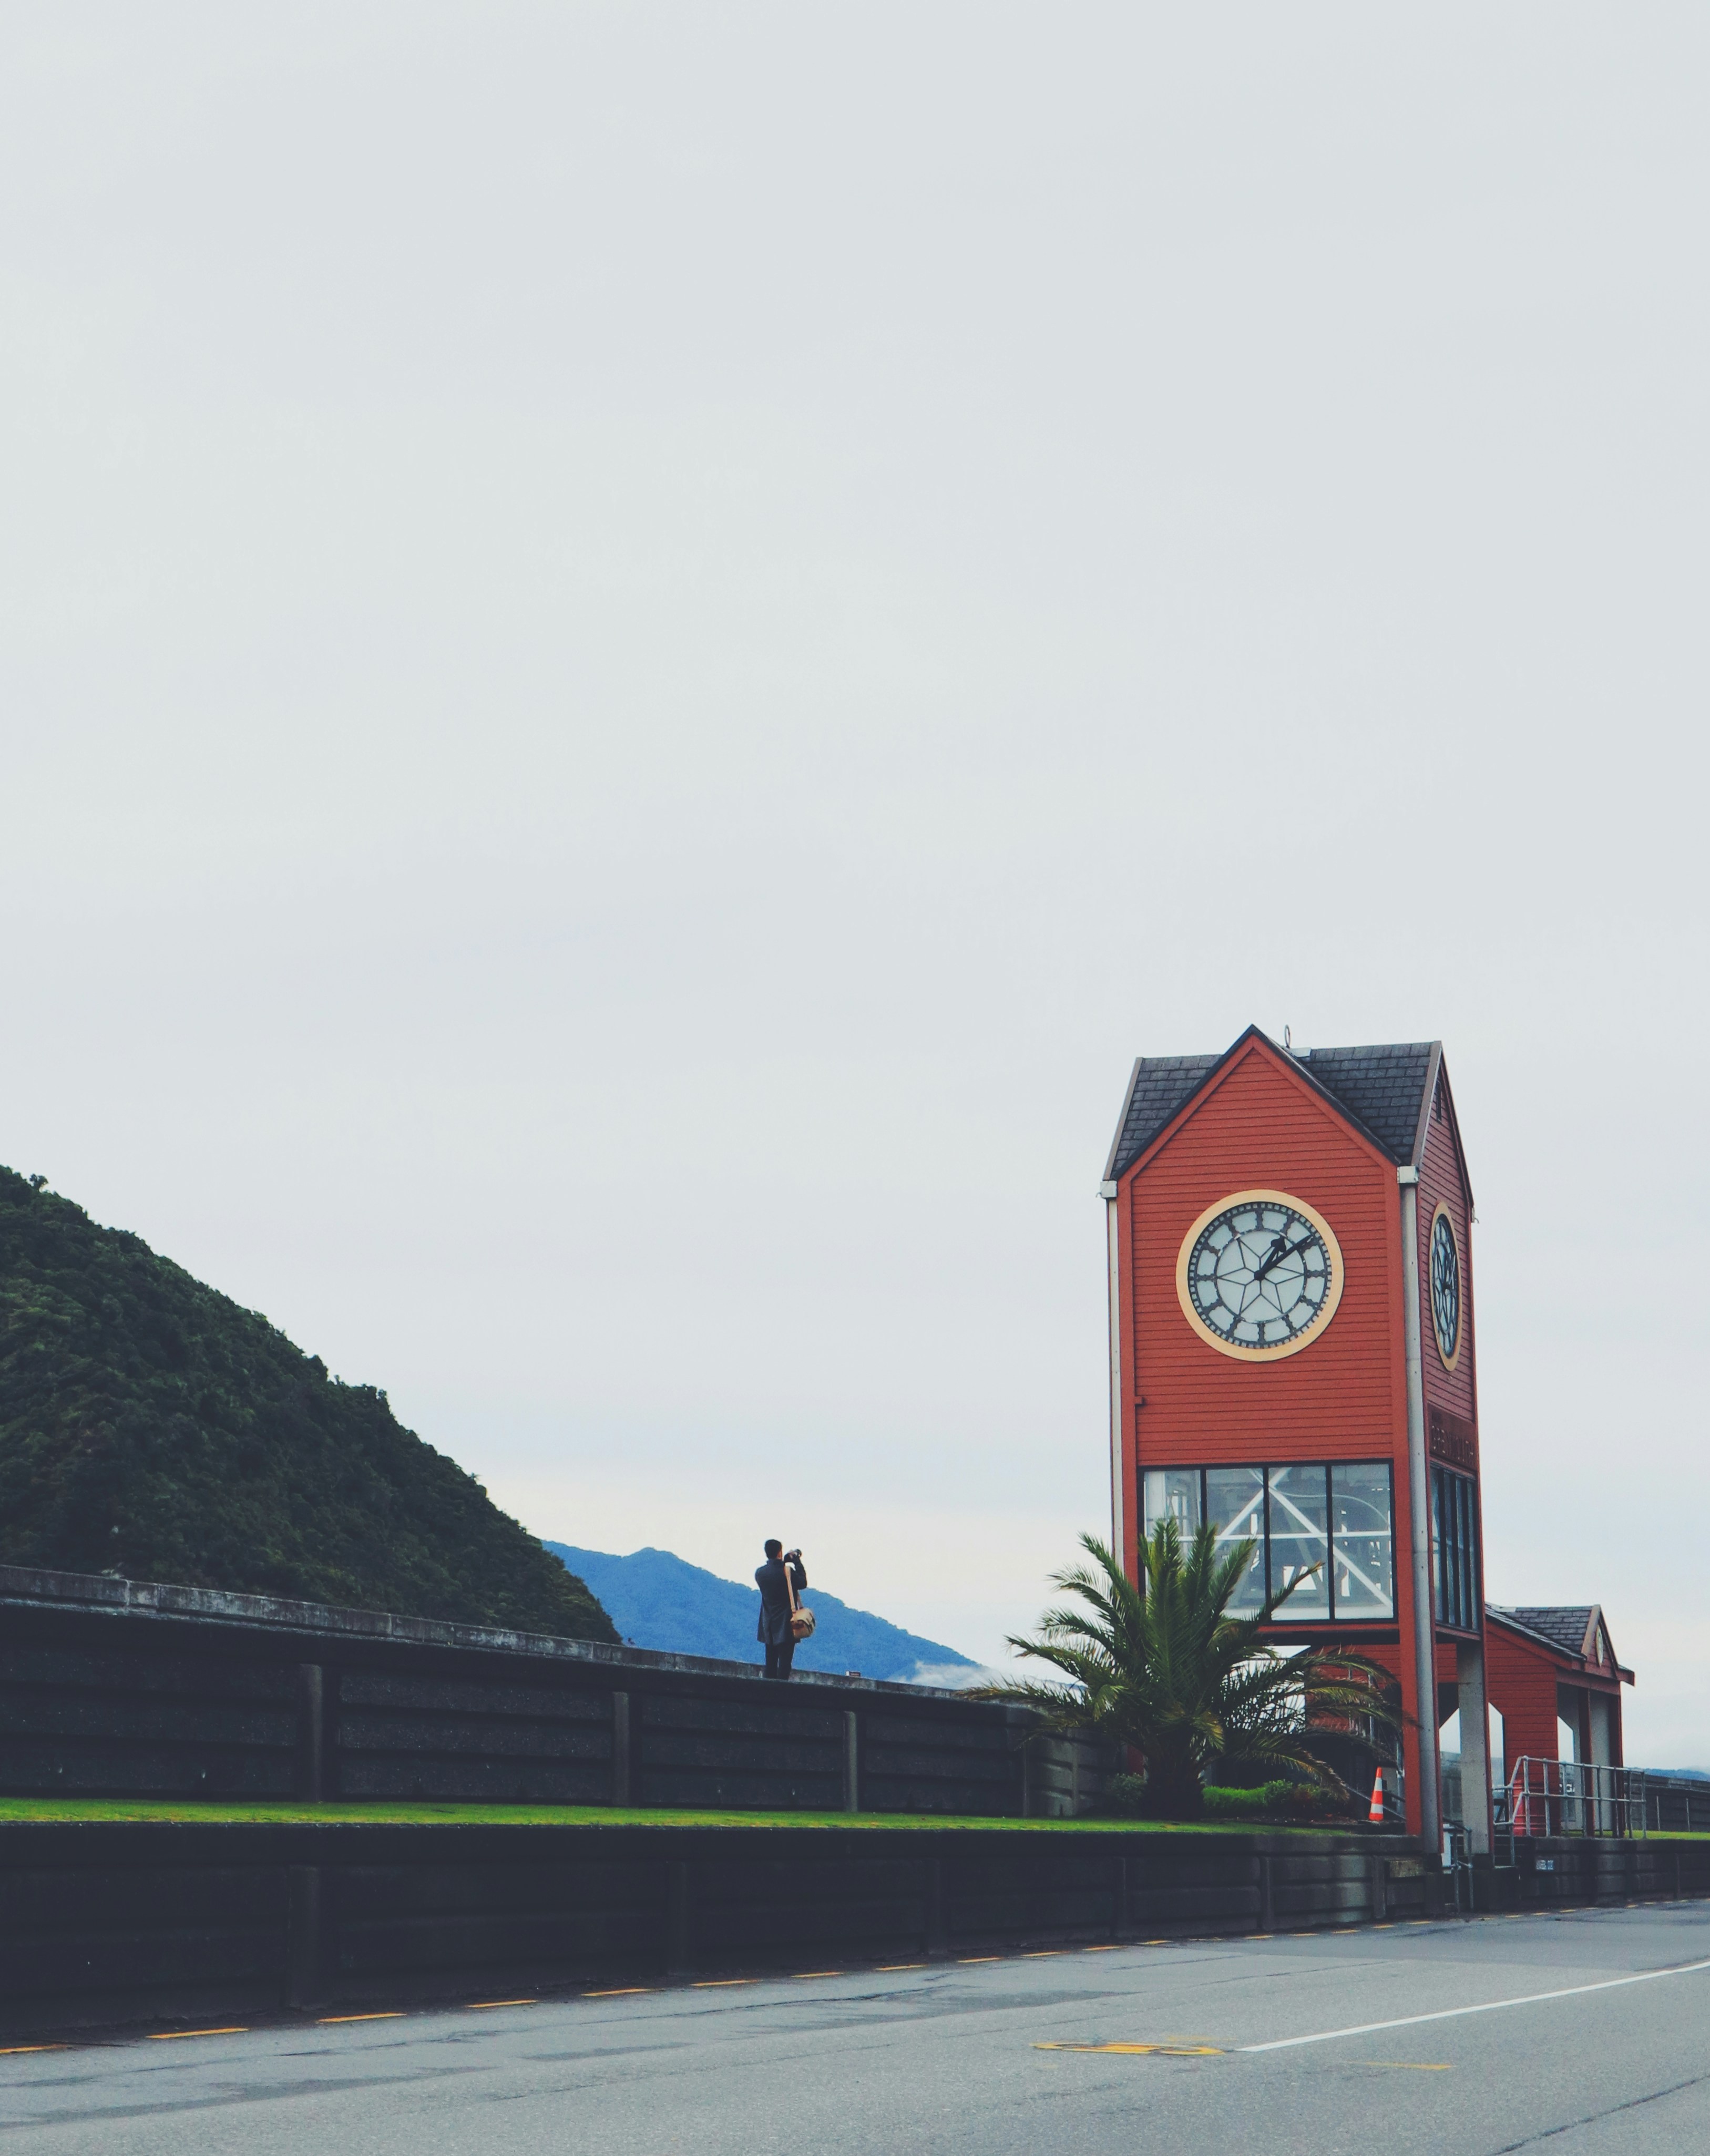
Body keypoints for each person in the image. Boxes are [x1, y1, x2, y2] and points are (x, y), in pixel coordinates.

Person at [755, 1539, 807, 1680]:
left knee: (770, 1665)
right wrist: (795, 1560)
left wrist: (782, 1561)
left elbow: (775, 1572)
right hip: (787, 1624)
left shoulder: (760, 1574)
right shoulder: (787, 1573)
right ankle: (781, 1696)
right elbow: (803, 1582)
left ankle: (767, 1696)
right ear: (780, 1552)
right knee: (784, 1666)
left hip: (768, 1626)